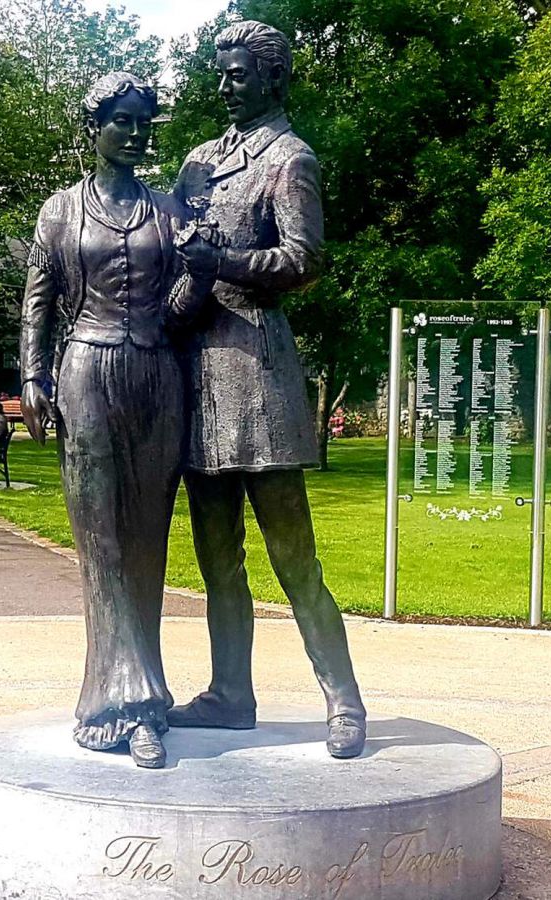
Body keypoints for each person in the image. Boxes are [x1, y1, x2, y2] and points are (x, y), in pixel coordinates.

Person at [169, 21, 368, 758]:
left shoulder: (290, 159)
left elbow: (303, 259)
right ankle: (229, 694)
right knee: (216, 555)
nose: (226, 85)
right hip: (199, 377)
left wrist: (221, 257)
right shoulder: (197, 162)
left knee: (294, 556)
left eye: (240, 73)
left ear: (273, 79)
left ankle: (343, 700)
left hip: (256, 374)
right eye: (221, 72)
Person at [19, 72, 218, 769]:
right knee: (100, 542)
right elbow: (38, 299)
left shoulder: (167, 212)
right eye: (122, 120)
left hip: (155, 376)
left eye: (144, 122)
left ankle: (143, 696)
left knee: (146, 543)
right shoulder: (60, 210)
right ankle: (121, 706)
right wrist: (31, 374)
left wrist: (198, 270)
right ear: (94, 127)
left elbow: (179, 313)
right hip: (87, 371)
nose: (135, 133)